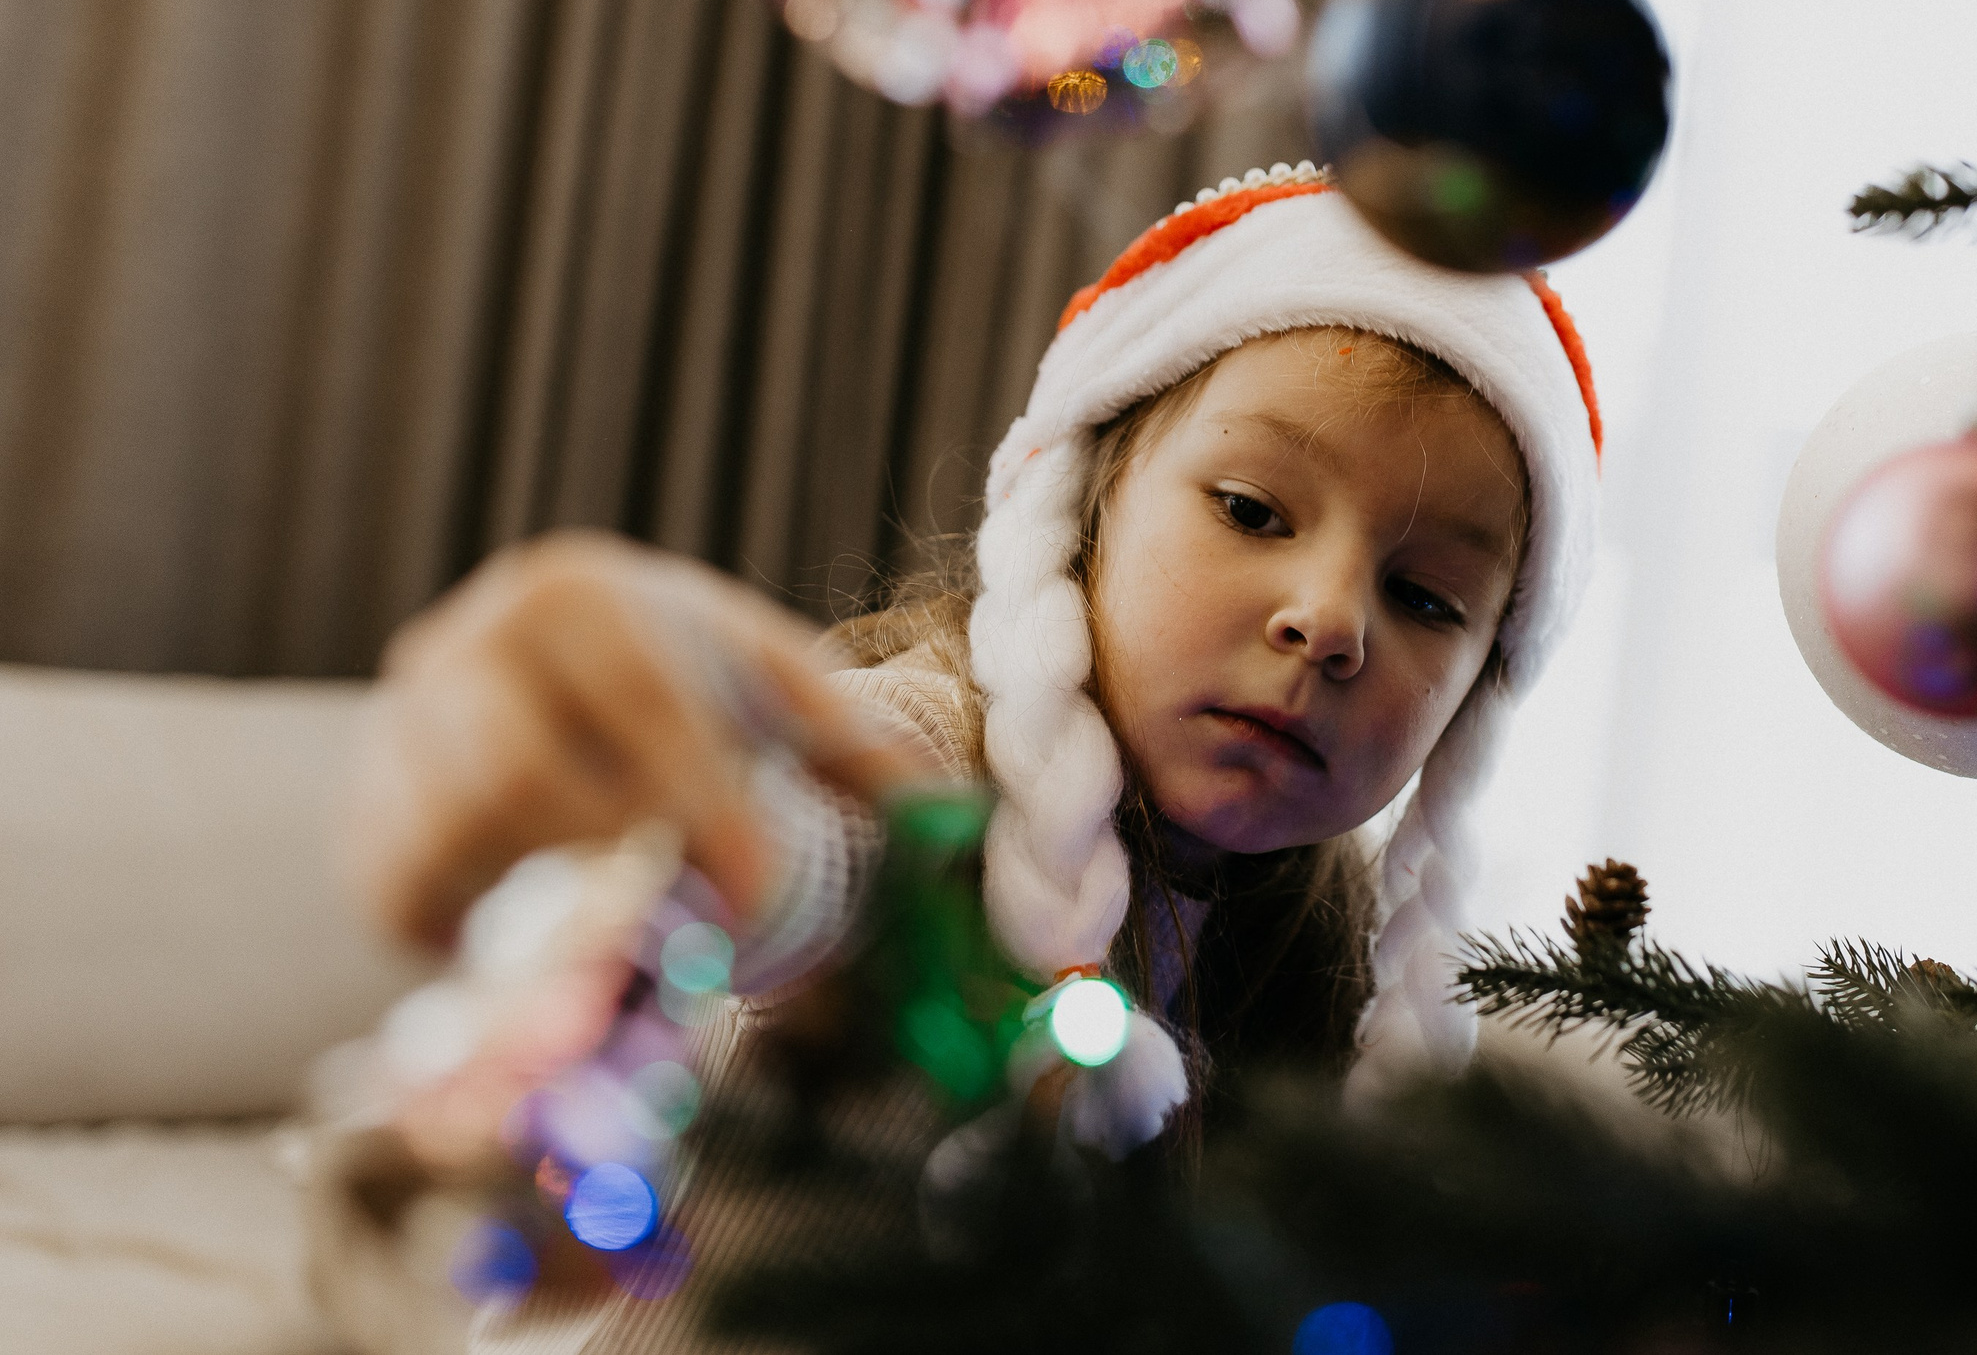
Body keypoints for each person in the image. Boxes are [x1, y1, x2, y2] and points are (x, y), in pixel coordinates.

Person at [331, 161, 1602, 1350]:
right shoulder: (915, 759)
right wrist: (650, 782)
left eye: (1428, 596)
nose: (1327, 619)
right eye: (1251, 510)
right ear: (1089, 508)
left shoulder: (1338, 938)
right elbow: (788, 860)